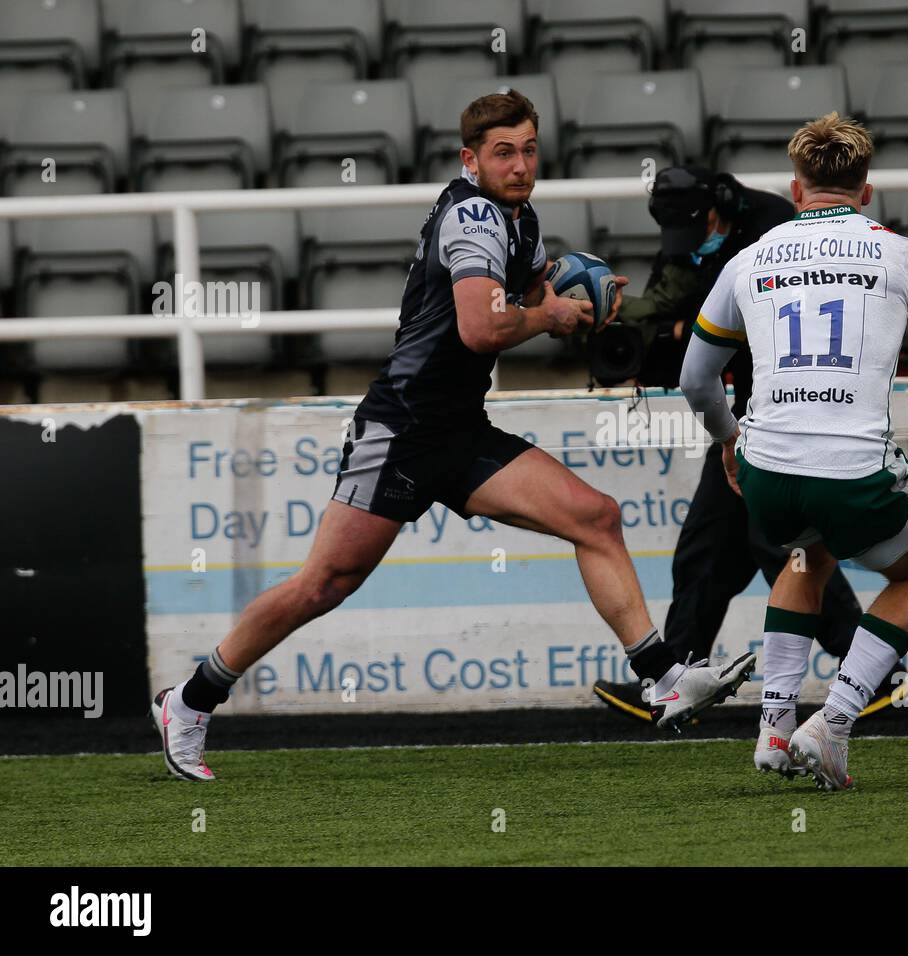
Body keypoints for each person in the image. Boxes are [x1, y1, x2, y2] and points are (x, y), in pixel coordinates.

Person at [150, 90, 756, 781]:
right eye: (504, 152)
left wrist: (583, 296)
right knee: (323, 585)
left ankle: (662, 678)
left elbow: (527, 297)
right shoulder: (472, 214)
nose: (520, 164)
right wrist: (551, 315)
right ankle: (191, 703)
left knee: (597, 517)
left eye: (529, 149)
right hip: (403, 430)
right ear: (471, 159)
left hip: (460, 430)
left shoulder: (520, 220)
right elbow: (481, 326)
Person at [679, 112, 908, 790]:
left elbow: (694, 380)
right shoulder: (897, 252)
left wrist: (729, 442)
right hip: (854, 467)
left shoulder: (749, 258)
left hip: (767, 469)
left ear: (796, 191)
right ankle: (835, 720)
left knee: (806, 551)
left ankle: (772, 726)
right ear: (866, 191)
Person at [591, 166, 908, 723]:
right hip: (744, 411)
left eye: (699, 230)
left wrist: (682, 334)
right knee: (709, 549)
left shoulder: (771, 224)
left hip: (785, 407)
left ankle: (873, 675)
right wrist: (647, 334)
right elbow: (682, 350)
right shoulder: (684, 244)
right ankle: (676, 677)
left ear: (718, 208)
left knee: (774, 545)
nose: (689, 247)